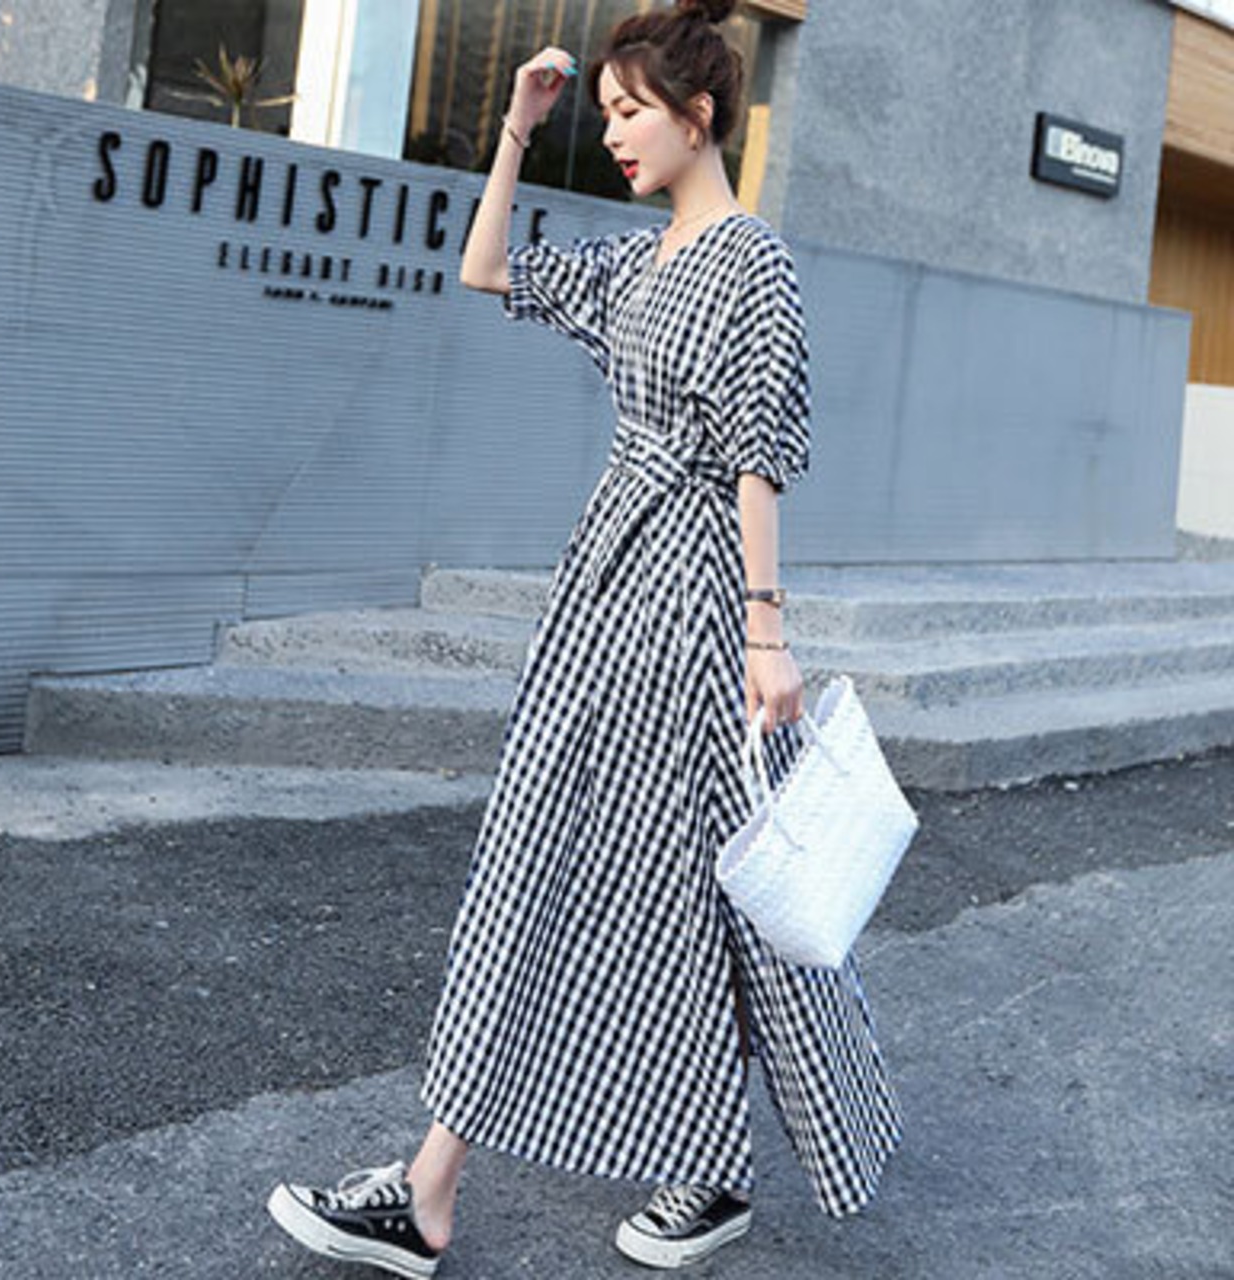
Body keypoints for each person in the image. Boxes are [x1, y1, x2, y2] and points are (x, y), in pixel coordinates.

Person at [266, 0, 903, 1273]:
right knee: (584, 865)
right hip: (603, 589)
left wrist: (764, 632)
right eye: (603, 114)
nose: (611, 135)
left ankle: (462, 1186)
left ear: (698, 116)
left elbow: (758, 451)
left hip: (693, 597)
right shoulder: (635, 262)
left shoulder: (751, 261)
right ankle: (484, 1183)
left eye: (628, 113)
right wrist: (515, 131)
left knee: (678, 879)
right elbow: (485, 268)